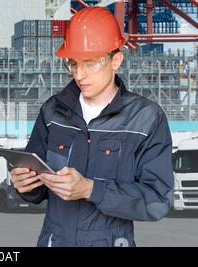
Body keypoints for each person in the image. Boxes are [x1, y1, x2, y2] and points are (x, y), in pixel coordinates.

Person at [10, 6, 174, 247]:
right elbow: (38, 186)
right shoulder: (53, 111)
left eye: (90, 63)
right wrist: (24, 186)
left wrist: (91, 190)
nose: (79, 75)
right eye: (73, 64)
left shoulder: (146, 118)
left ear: (116, 60)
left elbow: (157, 201)